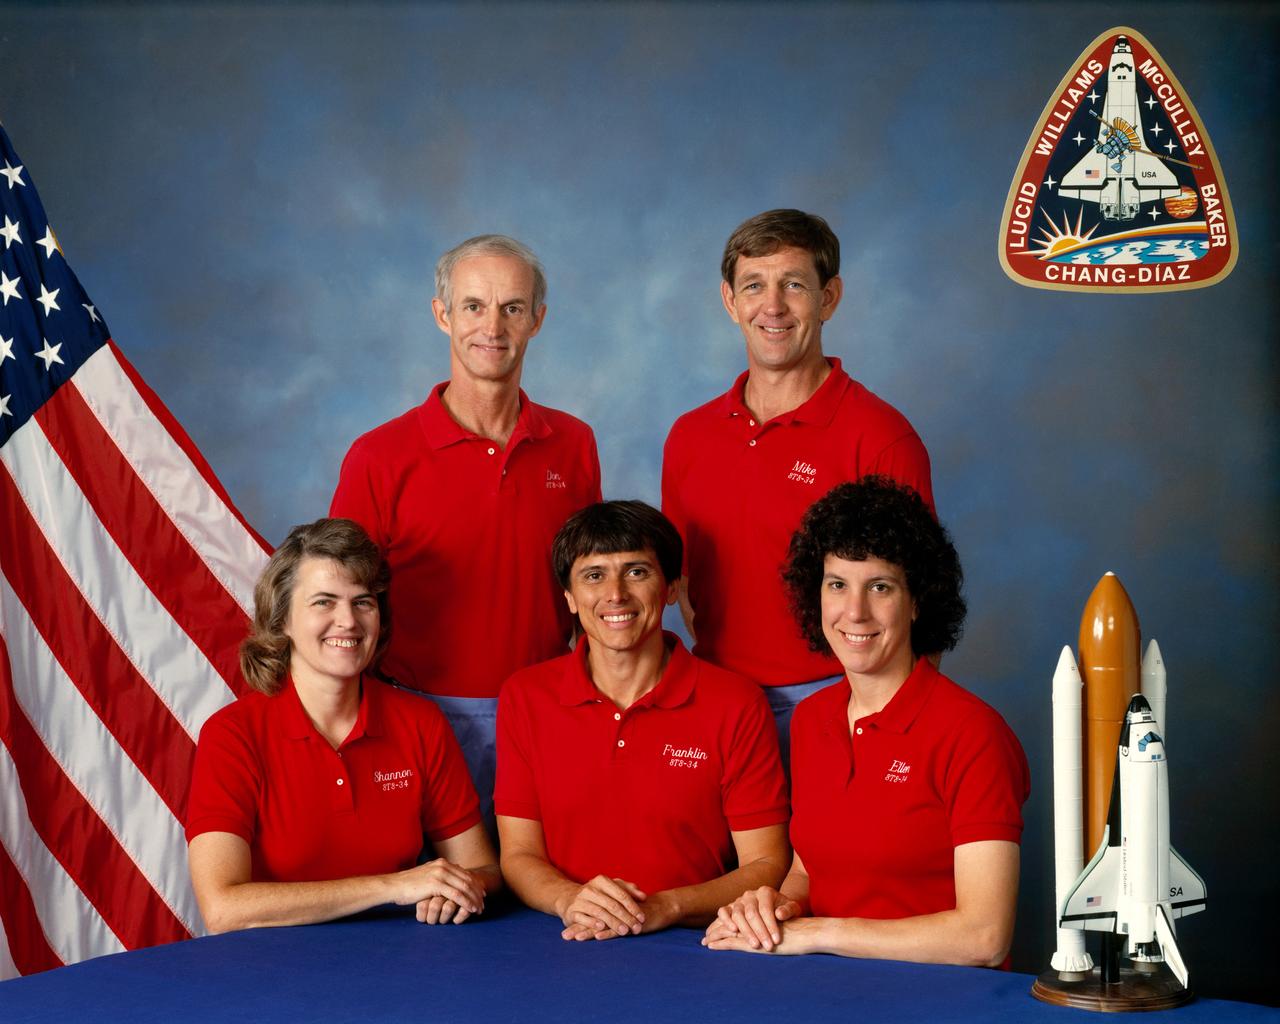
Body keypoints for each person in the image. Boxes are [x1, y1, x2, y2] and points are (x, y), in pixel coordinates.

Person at [330, 235, 601, 825]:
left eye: (512, 308)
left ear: (537, 320)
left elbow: (589, 587)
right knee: (434, 882)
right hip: (415, 719)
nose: (492, 327)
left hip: (546, 716)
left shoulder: (574, 445)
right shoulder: (379, 456)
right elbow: (339, 602)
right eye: (474, 306)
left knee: (544, 879)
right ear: (443, 314)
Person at [703, 478, 1029, 967]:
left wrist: (819, 933)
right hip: (827, 986)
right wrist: (775, 908)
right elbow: (808, 871)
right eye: (837, 585)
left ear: (917, 601)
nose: (855, 612)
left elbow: (984, 937)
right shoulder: (813, 720)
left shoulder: (973, 734)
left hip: (943, 995)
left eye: (880, 587)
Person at [662, 209, 933, 756]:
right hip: (717, 706)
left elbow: (920, 605)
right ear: (729, 300)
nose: (773, 307)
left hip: (838, 705)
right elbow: (685, 582)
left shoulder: (880, 438)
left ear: (828, 298)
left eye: (793, 285)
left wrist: (888, 739)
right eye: (754, 286)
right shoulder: (690, 437)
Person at [185, 518, 500, 933]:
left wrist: (455, 888)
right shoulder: (233, 735)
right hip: (274, 962)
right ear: (282, 619)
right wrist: (392, 886)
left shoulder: (420, 722)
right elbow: (223, 908)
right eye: (324, 602)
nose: (348, 621)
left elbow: (484, 868)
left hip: (402, 954)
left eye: (363, 602)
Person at [496, 501, 790, 940]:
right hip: (565, 939)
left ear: (670, 587)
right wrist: (569, 899)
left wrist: (666, 906)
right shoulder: (525, 697)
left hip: (696, 941)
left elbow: (766, 863)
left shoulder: (736, 702)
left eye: (637, 572)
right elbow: (519, 854)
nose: (616, 594)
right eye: (594, 575)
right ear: (569, 597)